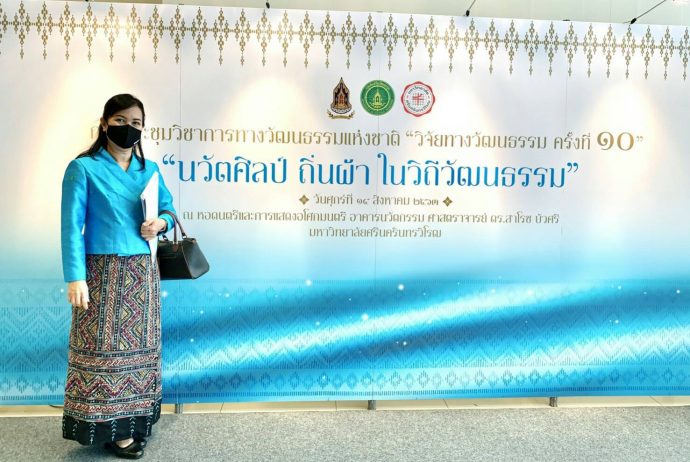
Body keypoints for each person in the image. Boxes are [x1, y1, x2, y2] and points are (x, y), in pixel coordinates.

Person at [61, 94, 176, 459]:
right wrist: (75, 277)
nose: (129, 128)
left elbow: (170, 211)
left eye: (136, 123)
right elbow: (71, 227)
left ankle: (134, 422)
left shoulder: (149, 170)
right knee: (103, 352)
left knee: (141, 352)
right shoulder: (83, 168)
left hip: (142, 273)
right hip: (101, 274)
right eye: (121, 121)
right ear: (105, 123)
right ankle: (109, 428)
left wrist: (160, 223)